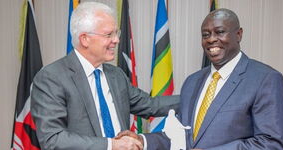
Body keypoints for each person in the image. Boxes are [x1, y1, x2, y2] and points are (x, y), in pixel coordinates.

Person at [30, 2, 179, 150]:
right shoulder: (51, 78)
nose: (116, 40)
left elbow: (151, 105)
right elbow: (53, 139)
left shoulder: (116, 75)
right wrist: (111, 145)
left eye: (116, 33)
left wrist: (197, 95)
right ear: (84, 39)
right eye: (109, 34)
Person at [140, 8, 283, 150]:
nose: (211, 39)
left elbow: (270, 144)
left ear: (238, 34)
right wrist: (141, 141)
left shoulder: (266, 79)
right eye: (205, 35)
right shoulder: (192, 82)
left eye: (220, 32)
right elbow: (180, 135)